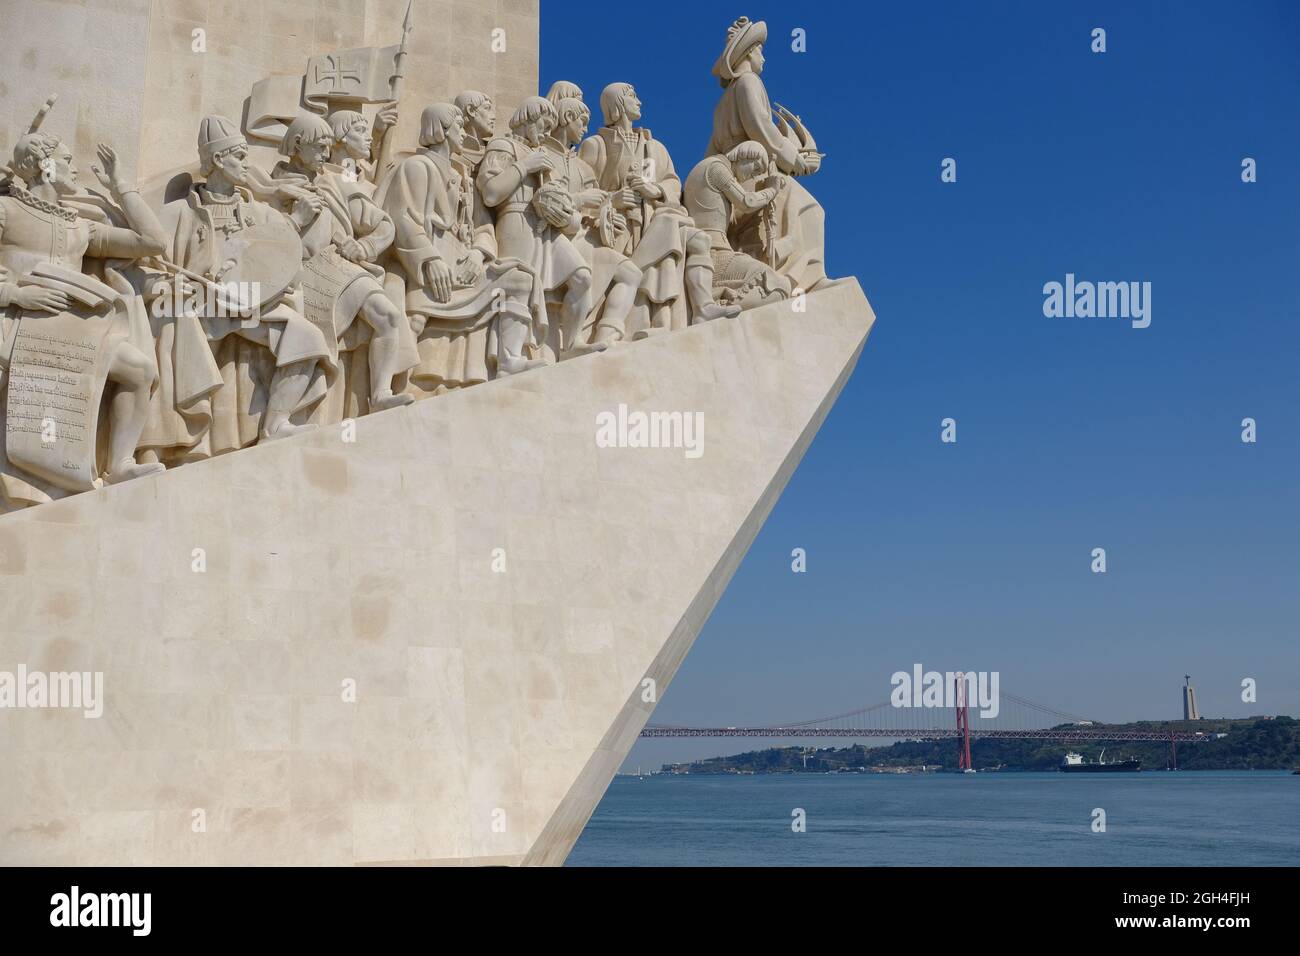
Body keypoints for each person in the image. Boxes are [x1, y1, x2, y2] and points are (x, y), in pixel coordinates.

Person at [139, 114, 334, 463]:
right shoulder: (180, 213)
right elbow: (148, 269)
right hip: (201, 306)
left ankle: (276, 425)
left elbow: (285, 263)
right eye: (240, 156)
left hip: (247, 305)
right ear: (216, 160)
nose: (248, 165)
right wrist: (169, 287)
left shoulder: (257, 212)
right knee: (167, 328)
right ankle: (157, 447)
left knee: (306, 336)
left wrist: (297, 222)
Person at [0, 114, 167, 507]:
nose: (75, 168)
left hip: (68, 332)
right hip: (15, 318)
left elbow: (152, 241)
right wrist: (15, 296)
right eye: (67, 159)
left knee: (140, 371)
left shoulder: (79, 227)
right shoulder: (6, 211)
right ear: (45, 165)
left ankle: (121, 464)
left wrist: (120, 185)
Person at [377, 103, 541, 388]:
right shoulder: (417, 167)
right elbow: (402, 219)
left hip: (464, 266)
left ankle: (509, 360)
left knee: (520, 279)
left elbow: (483, 225)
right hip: (429, 266)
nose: (464, 132)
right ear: (441, 130)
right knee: (414, 318)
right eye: (458, 126)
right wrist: (430, 260)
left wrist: (478, 255)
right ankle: (390, 388)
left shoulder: (464, 177)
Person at [267, 112, 418, 418]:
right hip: (302, 273)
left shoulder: (336, 181)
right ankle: (280, 420)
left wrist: (364, 245)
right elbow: (263, 240)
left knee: (388, 315)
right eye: (320, 147)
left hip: (339, 266)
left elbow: (382, 222)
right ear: (297, 145)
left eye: (327, 146)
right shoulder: (273, 187)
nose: (326, 154)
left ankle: (381, 394)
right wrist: (296, 220)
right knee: (309, 341)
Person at [579, 82, 738, 336]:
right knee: (668, 237)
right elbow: (583, 190)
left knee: (698, 239)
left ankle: (703, 307)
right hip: (621, 227)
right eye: (632, 96)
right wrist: (614, 199)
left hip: (656, 217)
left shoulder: (655, 147)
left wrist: (656, 191)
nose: (639, 101)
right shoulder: (596, 145)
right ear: (617, 105)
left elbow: (672, 182)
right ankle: (651, 324)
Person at [707, 16, 832, 292]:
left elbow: (711, 153)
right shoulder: (749, 82)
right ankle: (806, 279)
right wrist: (797, 161)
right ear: (750, 51)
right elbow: (763, 129)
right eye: (760, 49)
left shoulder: (721, 104)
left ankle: (767, 281)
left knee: (759, 232)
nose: (763, 56)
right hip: (753, 173)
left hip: (733, 180)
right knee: (811, 210)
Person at [478, 97, 601, 359]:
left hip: (544, 228)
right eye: (543, 127)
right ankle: (509, 357)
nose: (546, 134)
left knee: (582, 278)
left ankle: (571, 343)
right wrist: (524, 166)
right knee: (519, 287)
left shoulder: (540, 154)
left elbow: (554, 198)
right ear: (527, 119)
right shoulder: (503, 146)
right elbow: (490, 193)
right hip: (515, 220)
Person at [543, 96, 642, 348]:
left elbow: (596, 204)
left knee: (630, 273)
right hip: (554, 237)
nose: (586, 129)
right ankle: (572, 343)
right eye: (582, 122)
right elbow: (545, 200)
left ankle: (606, 336)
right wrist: (580, 201)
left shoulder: (582, 168)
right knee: (582, 279)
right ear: (567, 119)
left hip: (582, 237)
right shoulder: (544, 156)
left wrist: (608, 214)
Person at [683, 141, 790, 308]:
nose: (753, 176)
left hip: (714, 250)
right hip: (714, 254)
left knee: (778, 285)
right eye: (755, 168)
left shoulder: (710, 169)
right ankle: (723, 306)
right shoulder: (716, 168)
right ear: (745, 155)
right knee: (778, 285)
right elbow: (747, 201)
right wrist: (771, 190)